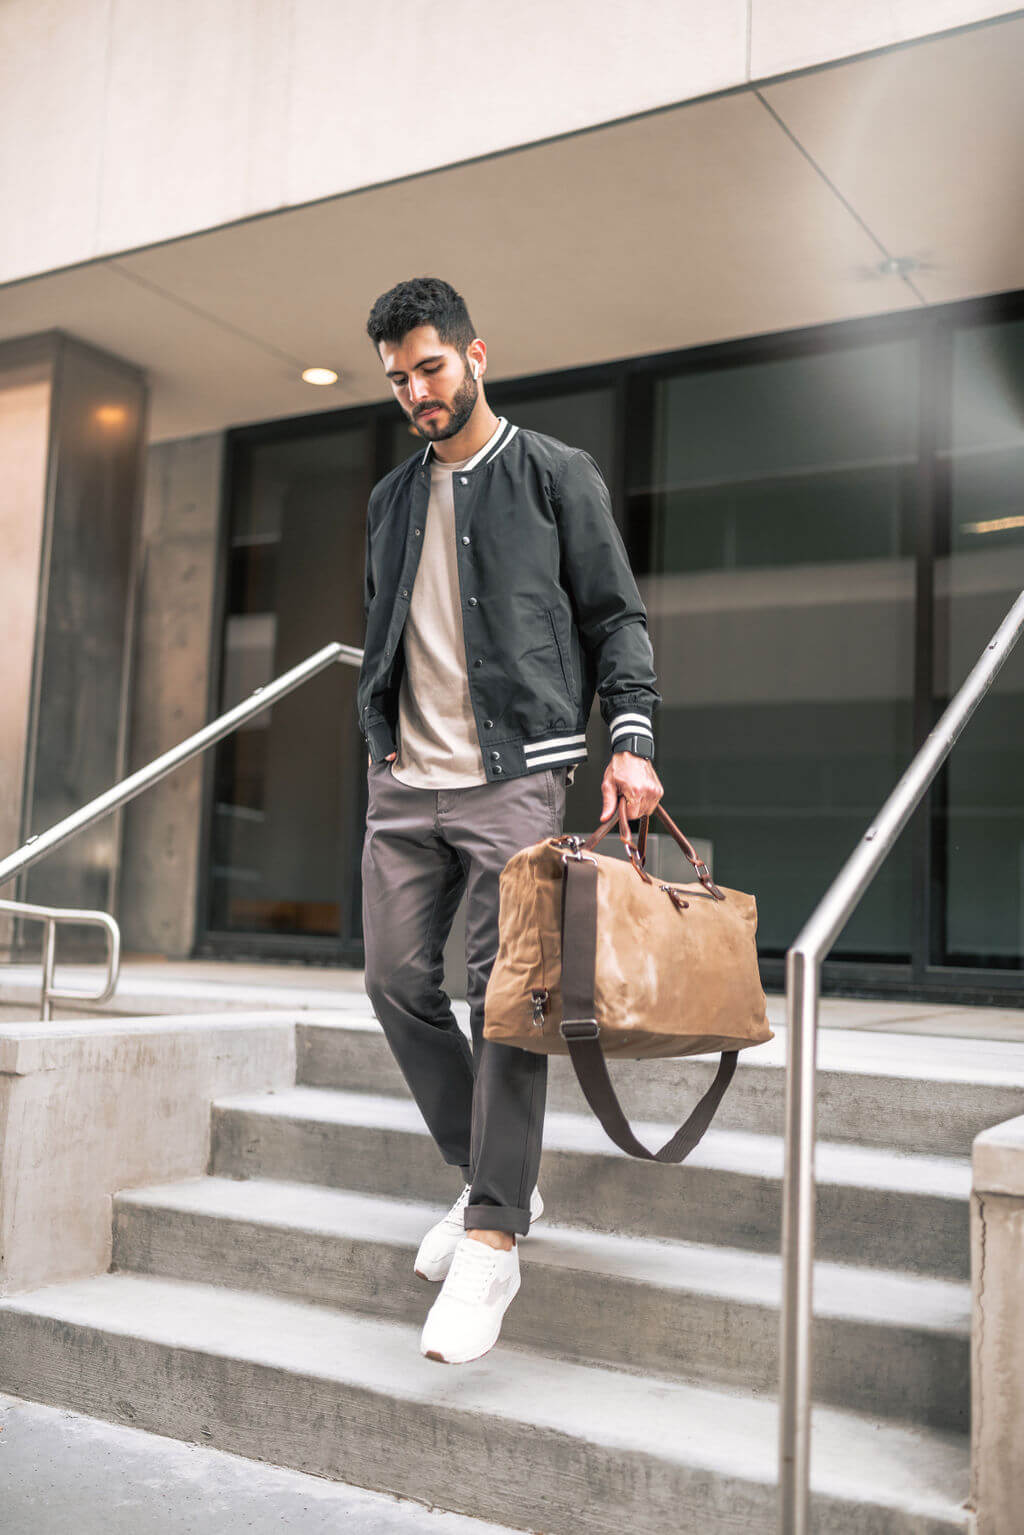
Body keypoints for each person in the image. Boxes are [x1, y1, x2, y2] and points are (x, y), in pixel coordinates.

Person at [358, 277, 662, 1364]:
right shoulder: (393, 498)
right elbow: (386, 624)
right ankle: (501, 1171)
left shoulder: (552, 476)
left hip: (510, 780)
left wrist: (631, 737)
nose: (416, 393)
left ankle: (491, 1231)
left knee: (502, 995)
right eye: (398, 379)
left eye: (430, 368)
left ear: (476, 355)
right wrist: (377, 731)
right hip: (403, 781)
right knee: (395, 982)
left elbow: (614, 615)